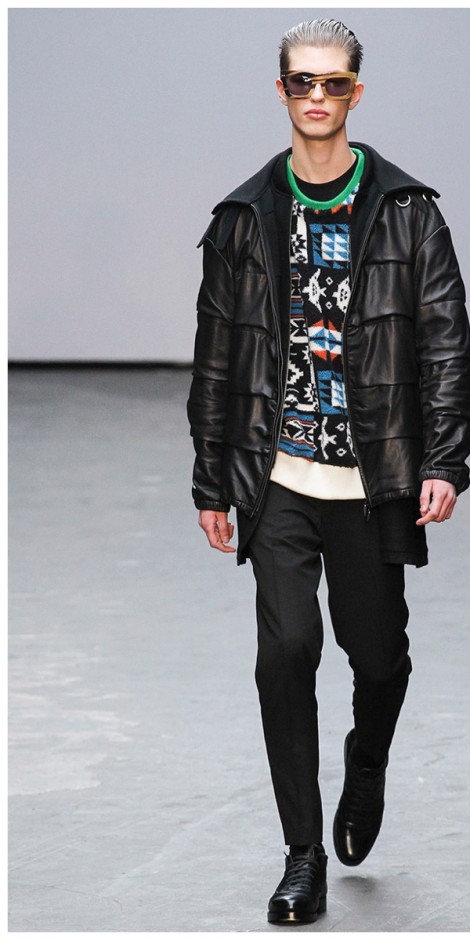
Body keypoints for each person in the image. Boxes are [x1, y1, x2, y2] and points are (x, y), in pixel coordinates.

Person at [187, 17, 470, 926]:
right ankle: (302, 853)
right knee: (285, 655)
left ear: (356, 92)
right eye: (302, 81)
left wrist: (446, 460)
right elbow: (218, 358)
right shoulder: (243, 218)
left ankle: (368, 761)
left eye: (333, 82)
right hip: (278, 479)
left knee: (378, 660)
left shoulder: (408, 212)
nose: (317, 96)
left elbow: (445, 344)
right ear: (281, 91)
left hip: (374, 480)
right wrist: (211, 480)